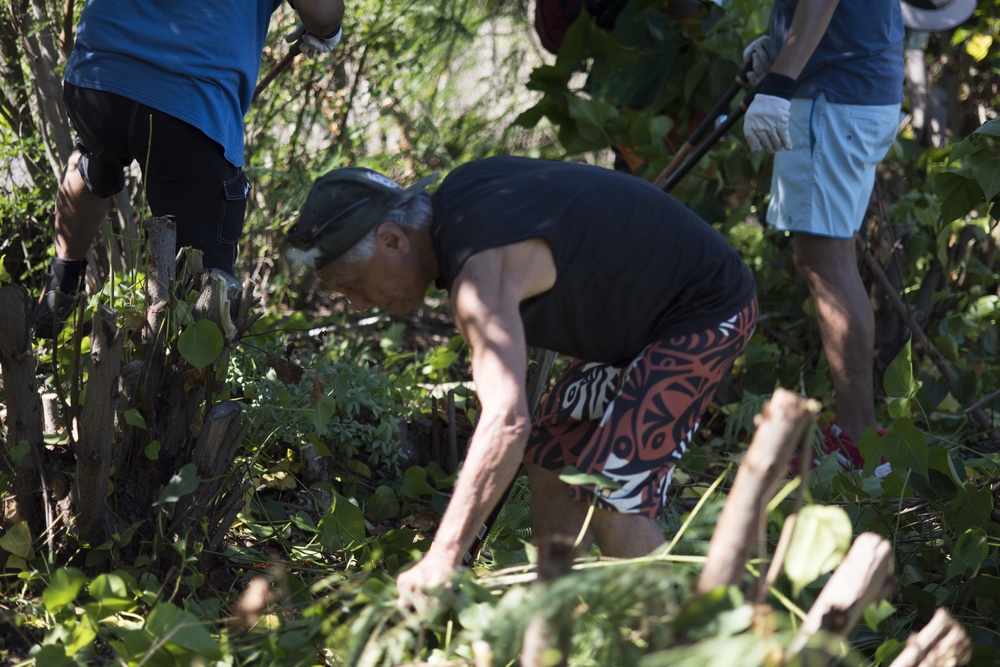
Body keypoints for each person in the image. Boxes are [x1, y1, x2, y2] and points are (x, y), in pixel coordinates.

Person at [284, 155, 757, 606]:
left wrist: (444, 556)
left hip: (705, 310)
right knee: (551, 453)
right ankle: (549, 620)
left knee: (611, 492)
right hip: (643, 326)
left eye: (350, 285)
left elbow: (507, 419)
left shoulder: (478, 275)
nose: (359, 305)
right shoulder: (463, 202)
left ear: (392, 240)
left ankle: (676, 645)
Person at [34, 0, 345, 339]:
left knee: (96, 155)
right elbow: (323, 12)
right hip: (188, 100)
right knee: (202, 292)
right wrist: (326, 31)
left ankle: (59, 292)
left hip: (96, 82)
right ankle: (177, 370)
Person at [740, 0, 904, 466]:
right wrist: (780, 46)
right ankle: (859, 433)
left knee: (826, 263)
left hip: (834, 94)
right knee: (831, 260)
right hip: (853, 88)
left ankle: (856, 438)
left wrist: (780, 78)